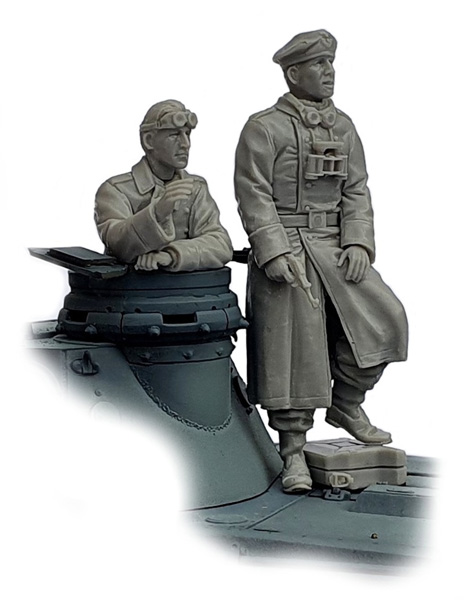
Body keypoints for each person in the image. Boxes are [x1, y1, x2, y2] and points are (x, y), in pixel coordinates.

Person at [234, 30, 408, 493]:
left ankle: (347, 402)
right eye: (318, 65)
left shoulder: (344, 127)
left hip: (334, 245)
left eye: (331, 64)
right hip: (288, 246)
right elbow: (252, 194)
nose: (329, 72)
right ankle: (293, 451)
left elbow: (357, 189)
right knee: (292, 351)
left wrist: (358, 243)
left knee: (386, 320)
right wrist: (273, 250)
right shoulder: (263, 127)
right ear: (294, 73)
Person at [95, 100, 233, 272]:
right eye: (174, 135)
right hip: (130, 286)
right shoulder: (116, 191)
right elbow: (118, 245)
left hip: (186, 287)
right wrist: (156, 214)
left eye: (187, 134)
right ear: (149, 141)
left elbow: (221, 245)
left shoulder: (195, 189)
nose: (185, 143)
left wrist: (171, 255)